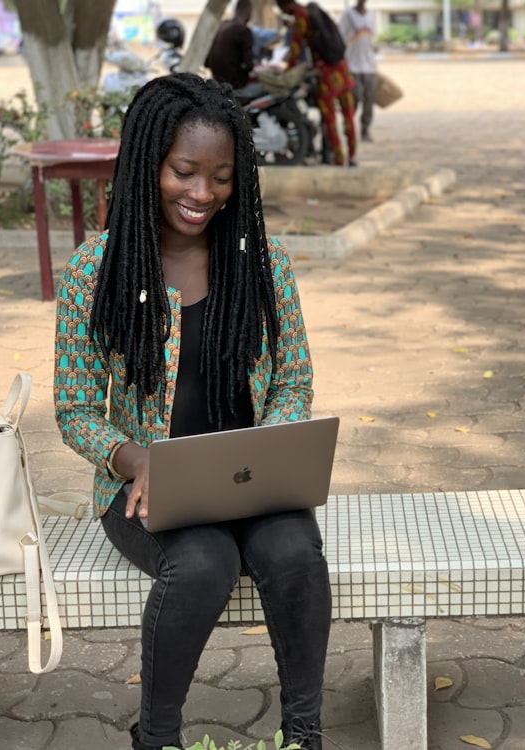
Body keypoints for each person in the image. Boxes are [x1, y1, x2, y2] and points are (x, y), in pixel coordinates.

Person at [53, 74, 331, 750]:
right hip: (146, 491)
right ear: (149, 161)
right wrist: (133, 457)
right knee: (203, 564)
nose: (203, 193)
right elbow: (76, 407)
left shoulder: (262, 265)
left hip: (250, 482)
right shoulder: (99, 269)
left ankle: (304, 734)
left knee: (295, 551)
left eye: (222, 177)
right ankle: (157, 737)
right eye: (184, 171)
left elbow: (293, 379)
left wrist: (272, 443)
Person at [276, 0, 357, 166]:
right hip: (342, 69)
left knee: (330, 119)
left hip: (327, 75)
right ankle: (353, 156)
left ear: (283, 5)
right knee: (348, 116)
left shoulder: (300, 16)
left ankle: (339, 159)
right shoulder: (314, 10)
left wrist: (288, 72)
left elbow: (296, 48)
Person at [337, 0, 376, 143]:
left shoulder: (371, 15)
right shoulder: (347, 15)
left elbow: (372, 39)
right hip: (352, 65)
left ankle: (365, 130)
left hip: (369, 66)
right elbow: (341, 37)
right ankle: (348, 126)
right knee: (356, 97)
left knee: (369, 101)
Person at [205, 0, 255, 89]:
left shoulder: (221, 26)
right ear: (248, 11)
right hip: (234, 84)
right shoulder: (243, 31)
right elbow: (249, 65)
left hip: (216, 79)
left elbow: (207, 62)